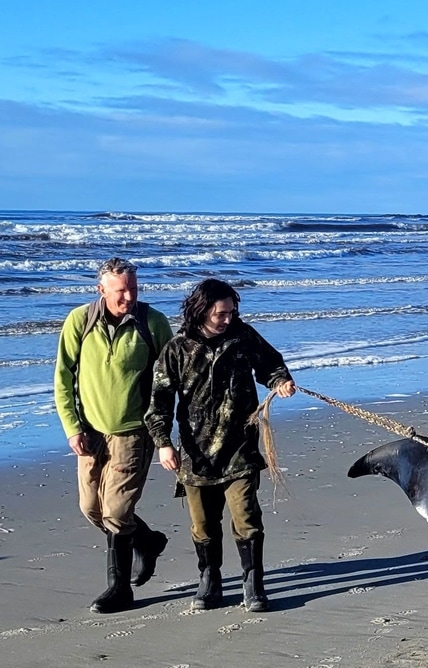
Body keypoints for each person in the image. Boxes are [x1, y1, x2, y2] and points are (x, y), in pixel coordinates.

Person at [146, 278, 296, 612]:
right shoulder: (177, 349)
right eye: (221, 313)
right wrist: (163, 444)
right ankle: (209, 579)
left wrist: (280, 380)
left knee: (246, 517)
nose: (228, 318)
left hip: (240, 447)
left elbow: (270, 364)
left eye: (232, 311)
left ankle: (253, 584)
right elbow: (158, 401)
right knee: (203, 524)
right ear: (201, 311)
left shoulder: (243, 337)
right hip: (195, 454)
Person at [53, 257, 175, 613]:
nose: (128, 296)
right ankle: (148, 541)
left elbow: (170, 379)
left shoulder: (152, 323)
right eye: (120, 290)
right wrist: (72, 427)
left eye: (133, 289)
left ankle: (119, 589)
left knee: (117, 512)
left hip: (134, 432)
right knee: (91, 508)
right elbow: (63, 378)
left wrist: (165, 433)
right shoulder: (80, 320)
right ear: (101, 289)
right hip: (90, 433)